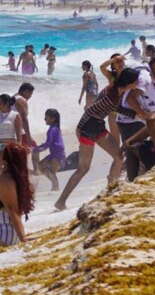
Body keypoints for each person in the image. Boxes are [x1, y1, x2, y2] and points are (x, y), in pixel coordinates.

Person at [55, 67, 140, 210]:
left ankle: (110, 192)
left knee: (119, 156)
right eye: (136, 81)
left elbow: (113, 108)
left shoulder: (116, 91)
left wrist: (134, 114)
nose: (138, 83)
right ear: (130, 82)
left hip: (99, 126)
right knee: (83, 169)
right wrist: (79, 128)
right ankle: (61, 201)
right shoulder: (112, 94)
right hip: (88, 128)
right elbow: (91, 109)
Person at [33, 109, 66, 191]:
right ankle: (55, 186)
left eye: (46, 117)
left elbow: (48, 144)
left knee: (52, 172)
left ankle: (55, 188)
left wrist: (37, 149)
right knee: (41, 166)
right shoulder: (54, 128)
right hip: (54, 154)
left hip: (58, 154)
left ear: (53, 118)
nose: (44, 119)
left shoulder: (52, 129)